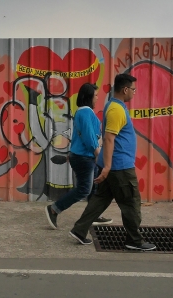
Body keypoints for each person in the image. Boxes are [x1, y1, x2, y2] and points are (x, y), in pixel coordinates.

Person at [68, 74, 156, 251]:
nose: (134, 92)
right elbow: (109, 139)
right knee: (131, 202)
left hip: (113, 165)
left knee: (100, 199)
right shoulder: (116, 109)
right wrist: (107, 167)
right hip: (119, 166)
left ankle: (79, 230)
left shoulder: (113, 105)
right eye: (133, 89)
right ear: (125, 90)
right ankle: (134, 240)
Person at [45, 83, 112, 229]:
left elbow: (81, 136)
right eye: (95, 95)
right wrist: (98, 154)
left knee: (93, 188)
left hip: (83, 156)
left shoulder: (82, 112)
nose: (97, 97)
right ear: (88, 97)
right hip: (85, 157)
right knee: (84, 189)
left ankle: (94, 214)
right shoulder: (85, 112)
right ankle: (54, 209)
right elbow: (89, 137)